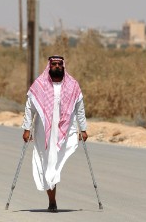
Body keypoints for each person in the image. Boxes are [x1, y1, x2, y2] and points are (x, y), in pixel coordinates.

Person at [21, 55, 88, 213]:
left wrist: (83, 129)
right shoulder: (39, 84)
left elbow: (80, 110)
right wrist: (26, 128)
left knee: (55, 164)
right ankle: (52, 201)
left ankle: (52, 194)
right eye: (54, 64)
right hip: (44, 131)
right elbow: (29, 108)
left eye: (59, 64)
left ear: (63, 66)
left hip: (66, 131)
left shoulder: (73, 85)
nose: (57, 66)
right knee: (47, 163)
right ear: (49, 66)